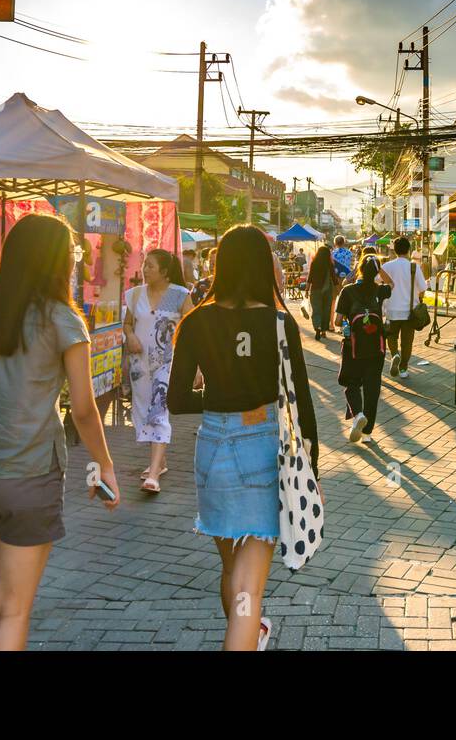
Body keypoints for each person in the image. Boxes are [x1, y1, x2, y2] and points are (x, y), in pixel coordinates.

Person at [0, 213, 119, 651]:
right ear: (59, 263)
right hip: (27, 476)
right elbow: (82, 408)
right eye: (74, 256)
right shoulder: (62, 319)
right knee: (15, 607)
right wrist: (106, 465)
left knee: (4, 589)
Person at [167, 225, 320, 651]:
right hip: (263, 447)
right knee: (249, 590)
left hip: (213, 447)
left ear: (221, 265)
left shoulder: (196, 321)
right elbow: (300, 403)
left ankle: (251, 634)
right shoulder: (279, 322)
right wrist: (314, 467)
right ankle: (248, 633)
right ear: (262, 266)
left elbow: (176, 401)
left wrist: (218, 400)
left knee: (233, 572)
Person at [124, 249, 192, 494]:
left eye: (150, 266)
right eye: (144, 265)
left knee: (158, 410)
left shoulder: (179, 295)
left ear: (164, 272)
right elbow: (128, 324)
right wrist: (130, 336)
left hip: (166, 363)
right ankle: (159, 462)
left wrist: (194, 365)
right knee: (143, 411)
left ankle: (153, 475)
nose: (145, 269)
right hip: (139, 365)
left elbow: (192, 327)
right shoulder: (134, 295)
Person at [334, 255, 391, 444]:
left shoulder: (348, 291)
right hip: (377, 346)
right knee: (372, 388)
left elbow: (337, 321)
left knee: (351, 382)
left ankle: (358, 414)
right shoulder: (379, 290)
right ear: (376, 272)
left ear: (358, 268)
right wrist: (378, 267)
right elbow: (391, 284)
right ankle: (367, 433)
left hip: (354, 347)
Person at [381, 236, 428, 379]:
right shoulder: (413, 266)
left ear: (394, 250)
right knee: (407, 341)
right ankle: (403, 369)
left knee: (391, 337)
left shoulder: (387, 266)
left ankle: (395, 354)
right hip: (409, 311)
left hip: (391, 310)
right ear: (409, 250)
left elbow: (377, 281)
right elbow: (422, 288)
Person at [305, 243, 338, 340]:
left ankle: (317, 328)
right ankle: (324, 331)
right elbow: (334, 278)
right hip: (327, 290)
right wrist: (338, 290)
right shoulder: (329, 264)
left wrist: (307, 290)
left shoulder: (314, 263)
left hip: (315, 290)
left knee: (316, 310)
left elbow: (310, 277)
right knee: (325, 310)